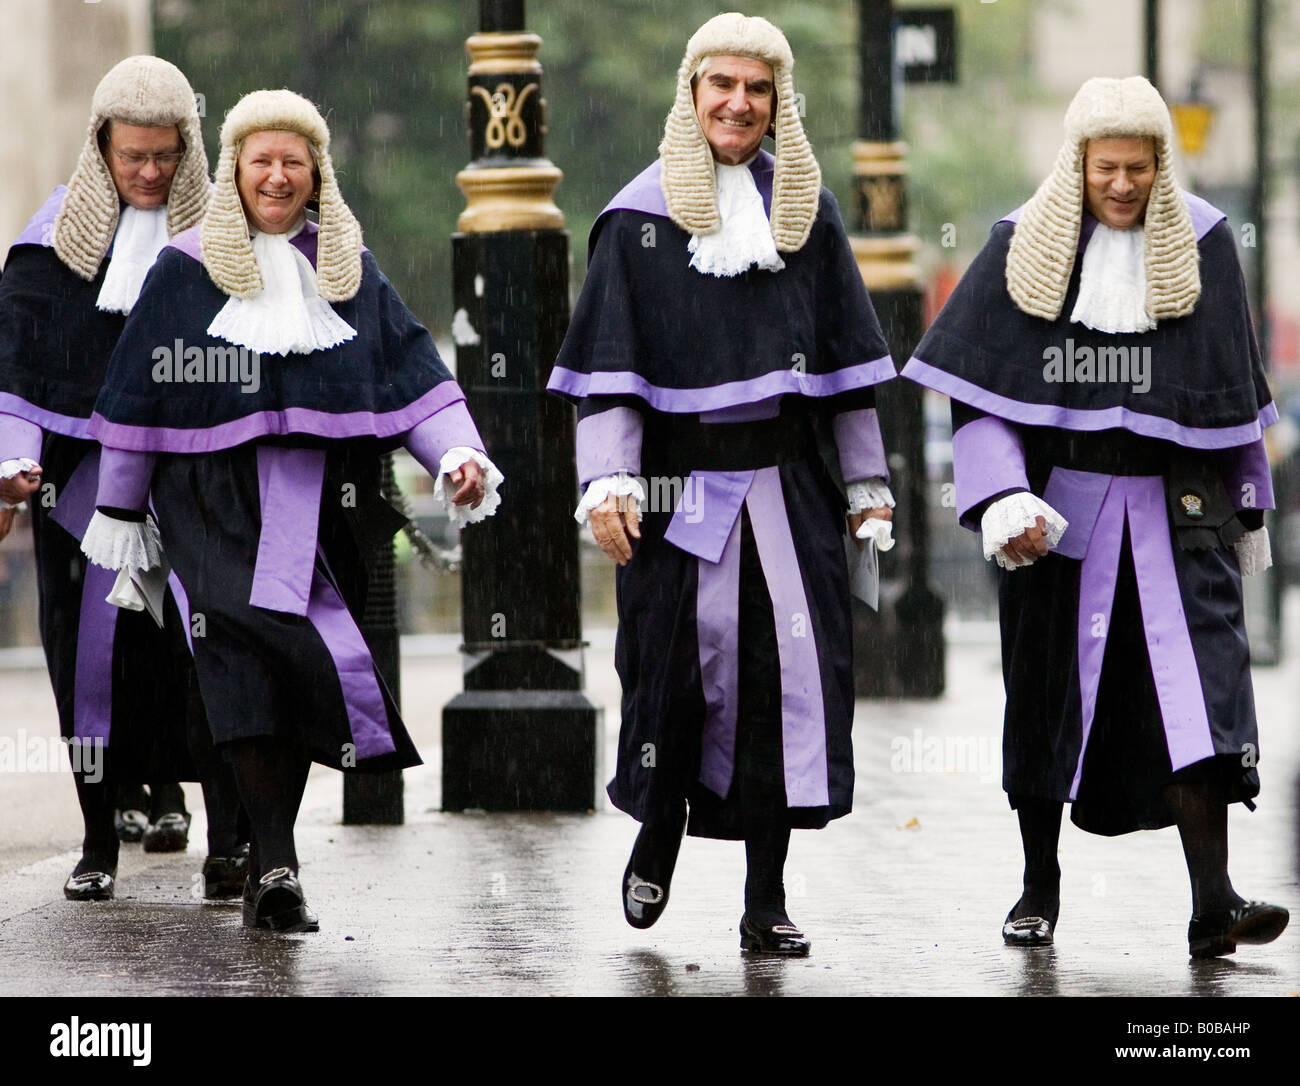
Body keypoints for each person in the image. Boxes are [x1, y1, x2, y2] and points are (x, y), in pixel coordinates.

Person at [83, 89, 503, 933]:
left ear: (317, 174)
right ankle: (274, 861)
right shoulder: (182, 268)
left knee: (302, 669)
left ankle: (271, 853)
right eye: (260, 160)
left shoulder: (349, 268)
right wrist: (121, 516)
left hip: (327, 499)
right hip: (213, 504)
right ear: (233, 171)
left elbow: (413, 375)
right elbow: (137, 403)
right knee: (239, 667)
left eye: (294, 162)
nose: (277, 176)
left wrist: (458, 454)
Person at [902, 76, 1288, 958]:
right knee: (1046, 699)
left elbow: (1232, 388)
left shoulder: (1204, 241)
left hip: (1181, 514)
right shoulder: (1018, 244)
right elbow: (982, 396)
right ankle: (1039, 888)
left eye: (1140, 168)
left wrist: (1250, 503)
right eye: (1107, 167)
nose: (1123, 185)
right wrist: (1002, 498)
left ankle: (1214, 901)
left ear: (1162, 163)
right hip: (1058, 518)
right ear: (1077, 163)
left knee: (1201, 700)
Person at [548, 12, 895, 955]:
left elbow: (848, 371)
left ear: (778, 103)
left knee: (786, 689)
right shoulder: (634, 220)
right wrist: (608, 483)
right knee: (667, 685)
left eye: (758, 89)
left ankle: (765, 902)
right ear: (691, 95)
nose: (739, 104)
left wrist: (867, 486)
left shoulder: (809, 213)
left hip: (790, 493)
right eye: (722, 86)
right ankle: (658, 831)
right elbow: (612, 373)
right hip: (677, 494)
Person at [0, 55, 246, 901]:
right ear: (98, 147)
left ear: (189, 150)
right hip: (79, 501)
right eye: (130, 156)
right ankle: (98, 839)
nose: (147, 173)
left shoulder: (228, 241)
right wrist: (9, 464)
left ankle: (230, 840)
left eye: (164, 157)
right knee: (87, 668)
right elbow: (17, 373)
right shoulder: (45, 246)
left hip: (195, 488)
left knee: (205, 659)